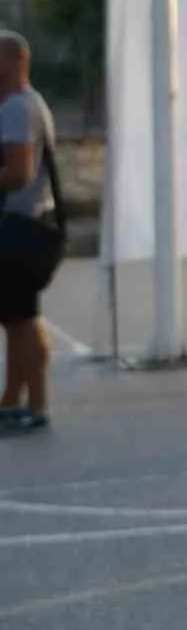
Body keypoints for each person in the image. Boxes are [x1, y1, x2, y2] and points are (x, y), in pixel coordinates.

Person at [0, 31, 63, 436]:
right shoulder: (26, 105)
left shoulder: (18, 110)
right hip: (34, 227)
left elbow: (19, 173)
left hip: (21, 229)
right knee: (21, 317)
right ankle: (16, 400)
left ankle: (33, 405)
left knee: (19, 319)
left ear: (10, 63)